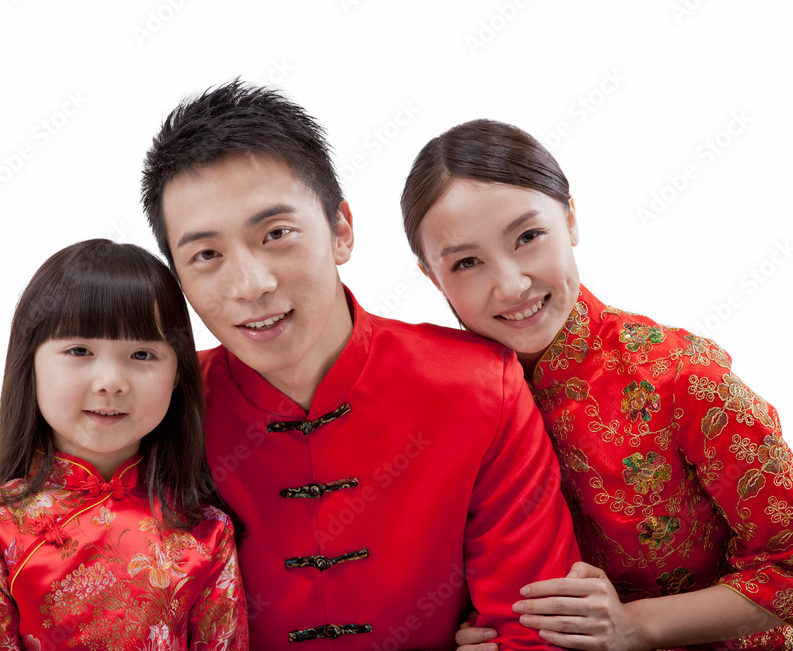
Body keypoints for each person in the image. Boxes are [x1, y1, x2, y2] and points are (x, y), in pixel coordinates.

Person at [140, 80, 581, 650]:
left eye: (276, 234)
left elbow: (537, 628)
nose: (251, 285)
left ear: (341, 229)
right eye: (206, 255)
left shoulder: (478, 387)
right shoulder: (158, 409)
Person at [400, 119, 793, 650]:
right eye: (467, 262)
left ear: (572, 221)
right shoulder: (441, 402)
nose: (512, 285)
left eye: (529, 237)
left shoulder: (681, 375)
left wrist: (638, 626)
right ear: (431, 276)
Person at [0, 239, 248, 651]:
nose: (110, 382)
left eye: (141, 354)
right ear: (28, 363)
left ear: (177, 373)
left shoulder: (204, 530)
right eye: (79, 350)